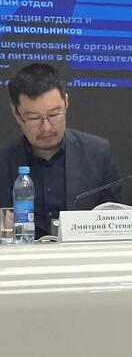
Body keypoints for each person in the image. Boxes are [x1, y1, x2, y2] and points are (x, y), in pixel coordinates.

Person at [0, 63, 120, 238]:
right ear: (16, 114)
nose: (46, 128)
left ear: (66, 103)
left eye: (54, 114)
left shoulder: (97, 153)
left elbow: (118, 224)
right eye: (34, 118)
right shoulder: (3, 161)